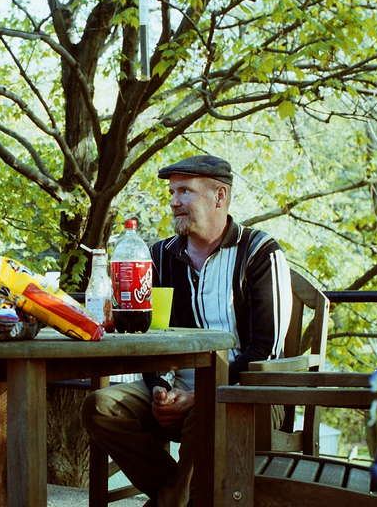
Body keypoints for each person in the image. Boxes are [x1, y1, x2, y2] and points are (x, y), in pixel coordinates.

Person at [81, 154, 293, 507]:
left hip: (249, 395)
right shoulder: (160, 256)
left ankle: (174, 499)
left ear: (219, 196)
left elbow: (266, 351)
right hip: (178, 389)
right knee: (100, 407)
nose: (174, 202)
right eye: (172, 192)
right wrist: (160, 387)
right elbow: (150, 337)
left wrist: (200, 395)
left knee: (208, 410)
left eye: (185, 191)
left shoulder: (260, 253)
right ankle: (175, 495)